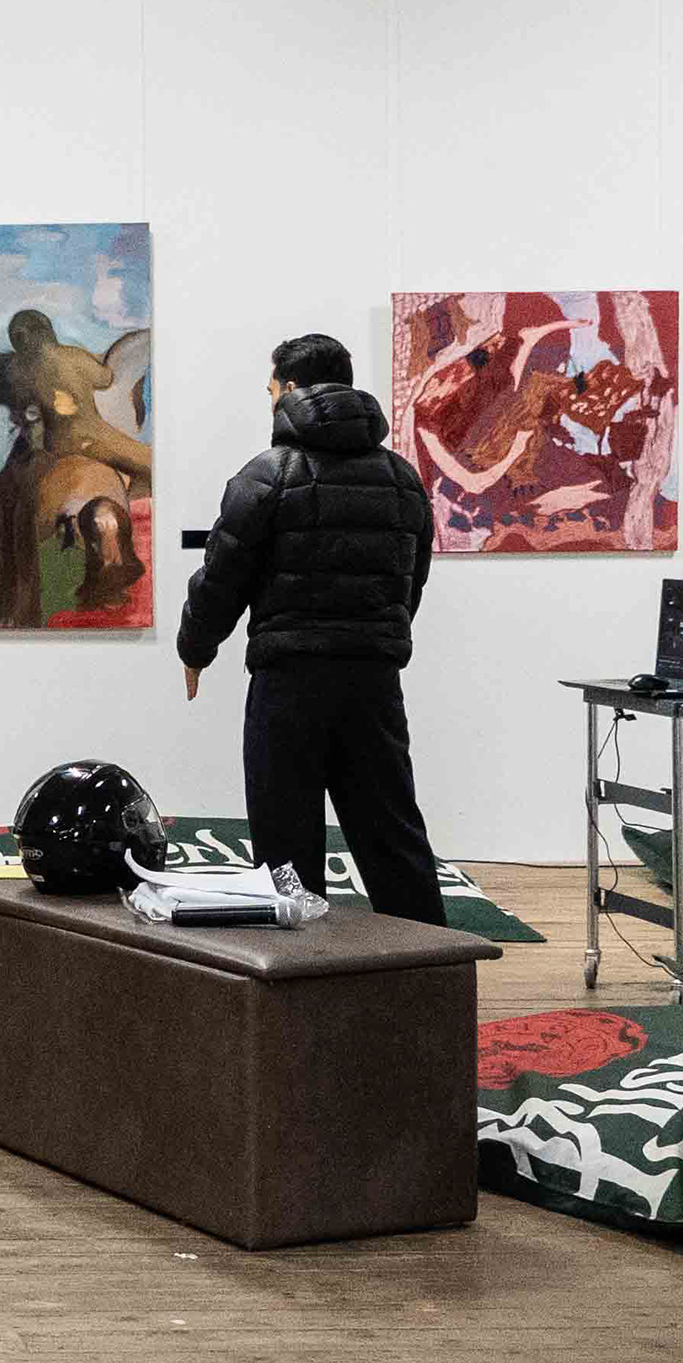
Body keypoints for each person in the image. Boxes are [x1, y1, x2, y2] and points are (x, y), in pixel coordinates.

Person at [174, 332, 448, 927]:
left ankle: (298, 974)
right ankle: (431, 969)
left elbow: (222, 577)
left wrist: (195, 648)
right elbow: (411, 584)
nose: (270, 398)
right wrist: (375, 640)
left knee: (285, 842)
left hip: (288, 682)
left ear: (292, 388)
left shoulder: (268, 474)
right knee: (392, 833)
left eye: (272, 388)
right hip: (374, 682)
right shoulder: (401, 478)